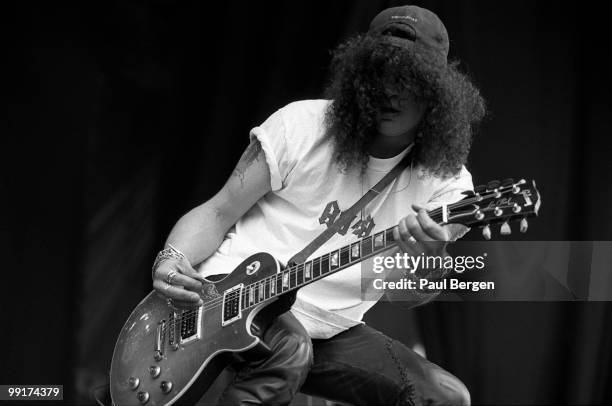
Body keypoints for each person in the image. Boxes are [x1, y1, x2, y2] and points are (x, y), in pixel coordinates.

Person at [152, 5, 485, 406]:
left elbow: (411, 294)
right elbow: (218, 211)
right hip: (231, 296)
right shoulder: (301, 125)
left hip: (329, 330)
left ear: (436, 93)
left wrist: (429, 260)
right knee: (290, 351)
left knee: (446, 397)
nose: (391, 91)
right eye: (379, 74)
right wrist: (171, 259)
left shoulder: (449, 186)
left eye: (408, 79)